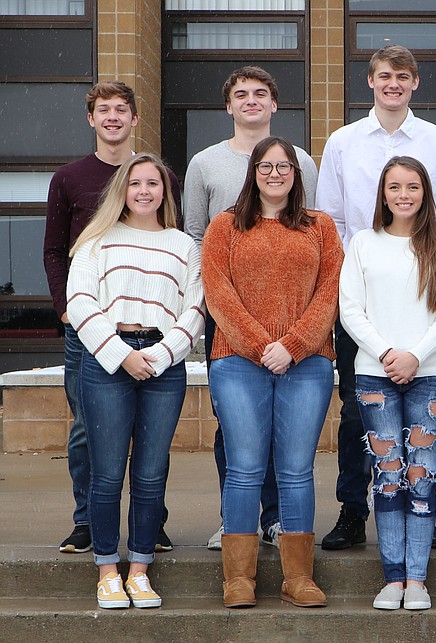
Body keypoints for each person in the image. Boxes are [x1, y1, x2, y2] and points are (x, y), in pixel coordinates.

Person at [317, 45, 436, 551]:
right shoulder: (343, 142)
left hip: (422, 295)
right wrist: (350, 286)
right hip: (362, 293)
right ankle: (354, 510)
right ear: (371, 82)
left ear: (414, 83)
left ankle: (421, 508)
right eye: (384, 76)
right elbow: (330, 222)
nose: (393, 84)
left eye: (402, 76)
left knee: (422, 413)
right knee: (359, 411)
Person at [202, 136, 343, 609]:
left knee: (296, 470)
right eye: (267, 165)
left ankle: (297, 577)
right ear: (253, 172)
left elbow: (330, 291)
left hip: (307, 364)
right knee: (243, 468)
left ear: (297, 174)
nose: (276, 173)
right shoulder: (224, 227)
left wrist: (295, 346)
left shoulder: (320, 227)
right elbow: (217, 294)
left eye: (285, 166)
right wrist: (265, 347)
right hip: (237, 362)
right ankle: (238, 579)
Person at [183, 65, 318, 551]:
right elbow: (198, 239)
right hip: (231, 327)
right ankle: (233, 518)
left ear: (275, 104)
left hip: (294, 332)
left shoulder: (300, 159)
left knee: (289, 442)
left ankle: (279, 519)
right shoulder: (204, 163)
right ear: (229, 105)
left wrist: (294, 338)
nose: (251, 101)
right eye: (241, 94)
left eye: (261, 93)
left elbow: (310, 239)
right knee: (236, 437)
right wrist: (232, 323)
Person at [44, 80, 182, 555]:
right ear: (92, 119)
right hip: (88, 327)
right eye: (104, 110)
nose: (113, 118)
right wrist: (68, 310)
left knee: (151, 444)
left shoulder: (153, 177)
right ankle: (87, 521)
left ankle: (151, 524)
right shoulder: (69, 177)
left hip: (150, 329)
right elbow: (55, 250)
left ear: (135, 119)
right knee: (88, 430)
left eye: (122, 110)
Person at [66, 153, 204, 609]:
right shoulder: (96, 241)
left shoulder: (184, 245)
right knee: (106, 473)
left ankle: (140, 569)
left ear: (166, 191)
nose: (145, 191)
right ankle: (108, 569)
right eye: (136, 183)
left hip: (163, 366)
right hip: (108, 363)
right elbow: (81, 303)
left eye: (154, 183)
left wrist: (162, 355)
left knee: (150, 473)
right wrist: (122, 356)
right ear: (121, 190)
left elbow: (195, 311)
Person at [339, 156, 436, 611]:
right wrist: (390, 354)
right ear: (383, 194)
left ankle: (418, 579)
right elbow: (351, 309)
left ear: (425, 193)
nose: (404, 195)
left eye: (413, 186)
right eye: (395, 187)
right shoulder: (363, 244)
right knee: (387, 476)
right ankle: (393, 576)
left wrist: (416, 355)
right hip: (377, 372)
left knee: (421, 475)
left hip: (430, 373)